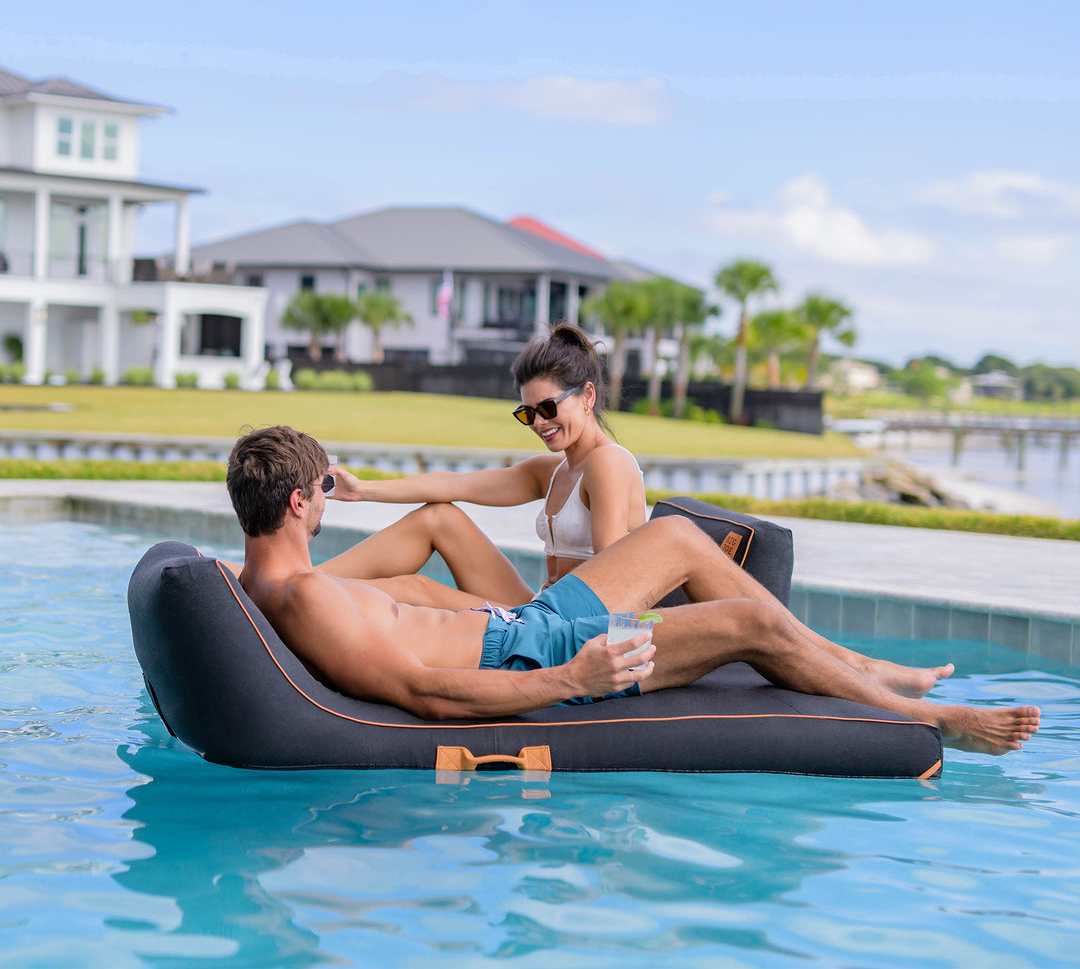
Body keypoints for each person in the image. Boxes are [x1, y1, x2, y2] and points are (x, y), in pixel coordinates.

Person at [226, 425, 1040, 755]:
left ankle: (862, 662)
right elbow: (427, 695)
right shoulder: (307, 598)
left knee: (679, 539)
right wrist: (571, 681)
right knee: (753, 619)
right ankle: (931, 717)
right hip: (536, 654)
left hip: (522, 624)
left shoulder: (269, 581)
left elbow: (404, 604)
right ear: (298, 503)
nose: (330, 498)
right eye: (324, 489)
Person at [318, 322, 646, 605]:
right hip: (540, 608)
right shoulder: (553, 471)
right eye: (527, 413)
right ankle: (302, 582)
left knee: (412, 590)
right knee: (439, 517)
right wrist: (360, 490)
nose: (538, 423)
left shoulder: (607, 463)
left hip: (564, 629)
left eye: (547, 407)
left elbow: (613, 583)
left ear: (587, 396)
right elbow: (455, 484)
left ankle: (302, 592)